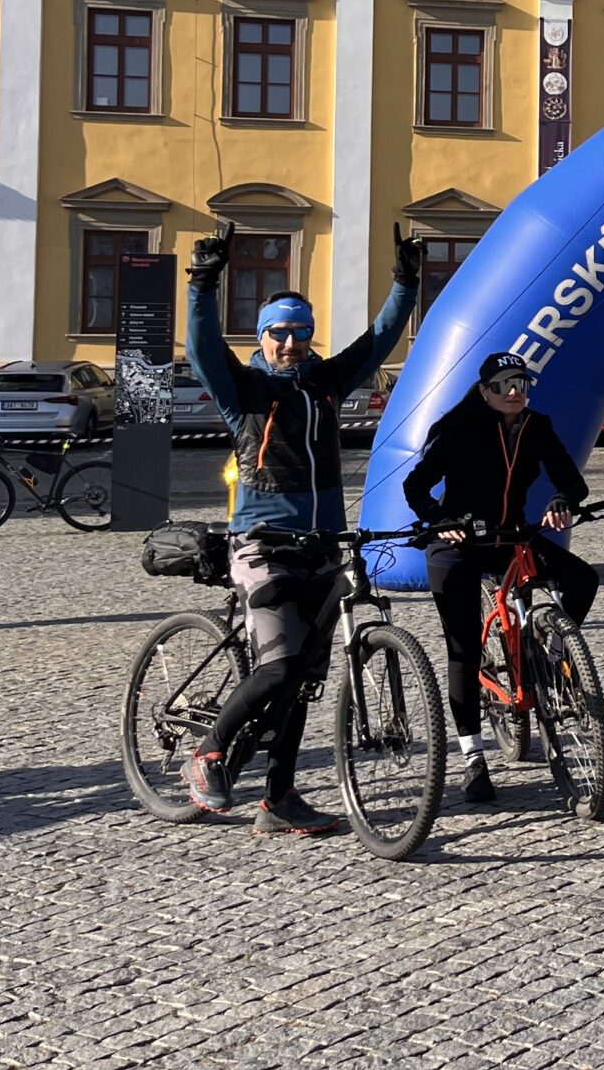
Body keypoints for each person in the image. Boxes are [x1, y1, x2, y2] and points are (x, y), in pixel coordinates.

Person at [177, 219, 421, 835]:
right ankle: (208, 752)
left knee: (305, 682)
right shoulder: (245, 388)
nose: (290, 343)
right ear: (262, 337)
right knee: (281, 667)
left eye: (300, 333)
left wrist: (405, 281)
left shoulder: (324, 383)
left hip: (322, 544)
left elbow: (380, 339)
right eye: (279, 333)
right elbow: (203, 346)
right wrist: (204, 280)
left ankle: (278, 798)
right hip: (262, 543)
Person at [403, 350, 599, 802]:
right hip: (459, 543)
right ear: (485, 391)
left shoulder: (538, 426)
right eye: (504, 385)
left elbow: (572, 481)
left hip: (513, 537)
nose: (515, 392)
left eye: (522, 384)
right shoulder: (461, 427)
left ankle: (550, 654)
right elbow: (416, 485)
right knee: (465, 647)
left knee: (583, 579)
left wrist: (560, 502)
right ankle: (473, 758)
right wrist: (437, 518)